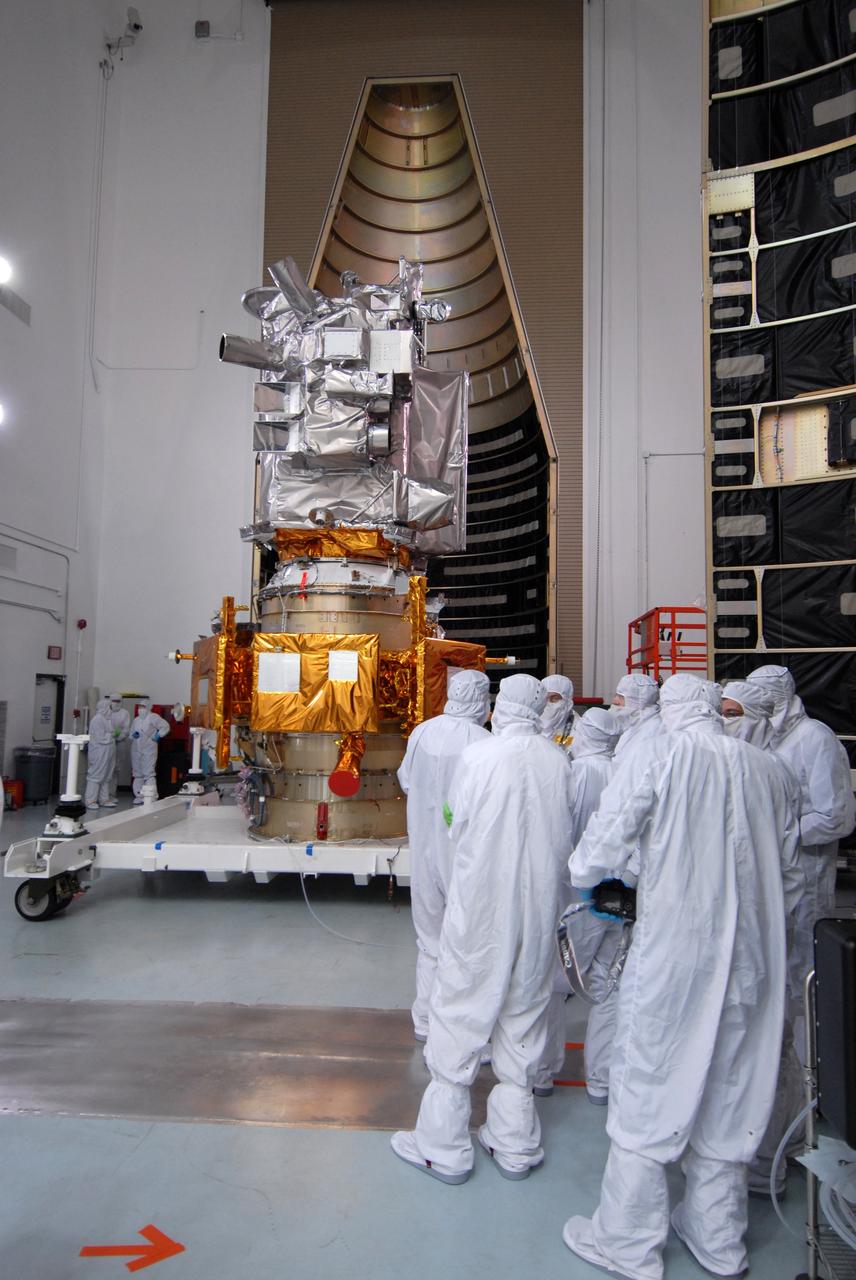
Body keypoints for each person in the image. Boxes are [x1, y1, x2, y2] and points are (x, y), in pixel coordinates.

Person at [563, 673, 802, 1280]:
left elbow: (600, 847)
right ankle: (717, 1237)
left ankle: (627, 1240)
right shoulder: (770, 770)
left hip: (678, 950)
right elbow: (791, 865)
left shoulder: (662, 756)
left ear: (667, 710)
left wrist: (593, 875)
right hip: (754, 958)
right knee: (731, 1083)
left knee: (652, 1080)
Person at [391, 673, 576, 1183]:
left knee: (463, 1002)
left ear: (499, 708)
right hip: (539, 907)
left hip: (483, 907)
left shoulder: (480, 756)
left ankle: (443, 1144)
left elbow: (455, 817)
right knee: (525, 1009)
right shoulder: (559, 763)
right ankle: (515, 1140)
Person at [722, 679, 805, 1197]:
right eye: (723, 712)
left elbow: (792, 868)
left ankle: (770, 1151)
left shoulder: (780, 768)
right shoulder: (724, 767)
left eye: (737, 713)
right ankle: (744, 1157)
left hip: (767, 926)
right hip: (737, 928)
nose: (730, 721)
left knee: (770, 1041)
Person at [746, 665, 855, 1059]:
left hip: (807, 873)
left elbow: (836, 816)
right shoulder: (769, 741)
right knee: (777, 970)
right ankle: (789, 1064)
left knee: (806, 971)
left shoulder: (816, 739)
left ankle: (818, 1067)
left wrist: (781, 835)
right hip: (773, 871)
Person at [397, 669, 491, 1041]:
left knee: (429, 940)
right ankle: (461, 1025)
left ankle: (424, 1021)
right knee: (468, 940)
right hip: (464, 857)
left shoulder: (422, 732)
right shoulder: (482, 740)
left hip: (423, 852)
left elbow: (405, 780)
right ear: (483, 699)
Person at [535, 706, 619, 1096]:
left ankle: (542, 1071)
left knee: (557, 980)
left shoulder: (580, 772)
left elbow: (560, 827)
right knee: (608, 984)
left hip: (577, 894)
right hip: (616, 895)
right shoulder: (620, 771)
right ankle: (601, 1079)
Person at [611, 672, 661, 769]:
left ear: (639, 701)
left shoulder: (653, 729)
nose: (615, 701)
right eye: (616, 695)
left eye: (621, 697)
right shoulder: (635, 723)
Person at [130, 700, 170, 804]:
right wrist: (133, 735)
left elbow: (165, 726)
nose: (141, 709)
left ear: (148, 707)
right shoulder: (136, 720)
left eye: (143, 706)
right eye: (140, 706)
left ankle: (151, 796)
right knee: (137, 773)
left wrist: (158, 736)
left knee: (148, 773)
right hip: (136, 749)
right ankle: (139, 795)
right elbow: (131, 733)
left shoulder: (153, 717)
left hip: (149, 748)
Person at [84, 697, 117, 810]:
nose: (111, 710)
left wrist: (112, 734)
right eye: (110, 707)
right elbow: (100, 738)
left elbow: (110, 733)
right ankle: (90, 800)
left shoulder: (106, 719)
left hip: (108, 751)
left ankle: (104, 799)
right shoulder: (97, 720)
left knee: (106, 776)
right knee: (96, 775)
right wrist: (111, 734)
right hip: (99, 752)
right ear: (104, 708)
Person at [539, 673, 579, 748]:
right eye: (545, 698)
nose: (549, 703)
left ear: (568, 701)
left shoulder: (577, 728)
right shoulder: (533, 723)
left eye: (554, 698)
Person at [106, 693, 130, 806]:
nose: (115, 703)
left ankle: (111, 794)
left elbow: (126, 728)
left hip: (119, 743)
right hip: (105, 744)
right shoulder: (105, 712)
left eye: (118, 701)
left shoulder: (124, 713)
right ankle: (104, 795)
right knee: (106, 769)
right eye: (113, 701)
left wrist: (118, 737)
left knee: (115, 770)